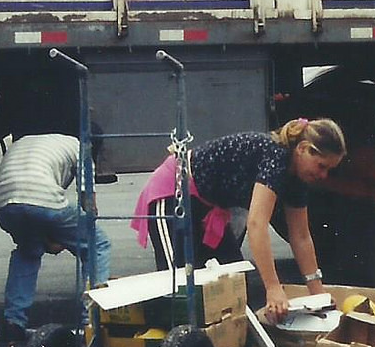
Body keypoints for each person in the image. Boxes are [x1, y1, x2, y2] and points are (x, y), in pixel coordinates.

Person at [129, 118, 345, 322]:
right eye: (321, 166)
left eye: (329, 170)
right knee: (177, 288)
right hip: (174, 195)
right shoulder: (276, 155)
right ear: (302, 149)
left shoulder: (297, 179)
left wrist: (318, 292)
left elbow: (301, 236)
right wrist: (272, 287)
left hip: (209, 207)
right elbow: (256, 224)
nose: (323, 175)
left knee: (236, 285)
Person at [0, 132, 111, 343]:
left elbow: (29, 207)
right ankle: (91, 319)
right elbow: (88, 204)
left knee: (28, 252)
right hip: (44, 199)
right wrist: (73, 235)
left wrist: (51, 238)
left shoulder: (26, 142)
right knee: (97, 243)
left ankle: (14, 323)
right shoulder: (81, 148)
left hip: (4, 203)